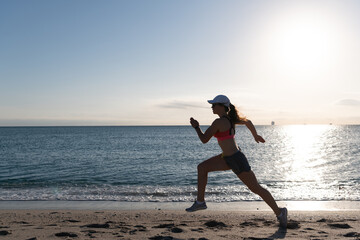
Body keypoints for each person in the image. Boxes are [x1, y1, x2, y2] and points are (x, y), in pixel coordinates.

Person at [186, 95, 288, 229]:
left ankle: (280, 212)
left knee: (256, 188)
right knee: (202, 168)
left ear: (222, 106)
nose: (212, 107)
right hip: (227, 158)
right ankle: (200, 202)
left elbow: (204, 139)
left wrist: (196, 127)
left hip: (236, 159)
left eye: (214, 105)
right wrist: (255, 135)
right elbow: (248, 122)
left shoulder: (219, 122)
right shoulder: (230, 119)